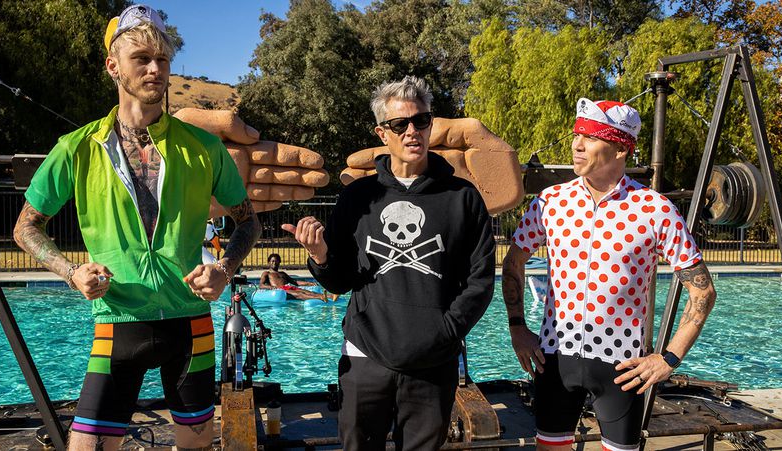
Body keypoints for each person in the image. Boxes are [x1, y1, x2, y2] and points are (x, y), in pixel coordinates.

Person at [12, 5, 261, 450]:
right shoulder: (77, 147)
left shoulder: (202, 146)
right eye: (141, 58)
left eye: (163, 60)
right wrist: (71, 273)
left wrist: (224, 268)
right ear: (113, 66)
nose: (155, 69)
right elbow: (26, 227)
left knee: (198, 447)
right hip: (117, 320)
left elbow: (248, 222)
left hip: (192, 325)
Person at [283, 75, 495, 450]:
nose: (412, 131)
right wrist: (319, 255)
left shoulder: (463, 197)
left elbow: (479, 281)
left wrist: (445, 333)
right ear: (383, 133)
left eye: (422, 121)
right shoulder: (359, 198)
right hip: (366, 356)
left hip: (434, 362)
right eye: (400, 124)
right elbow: (341, 280)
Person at [502, 98, 717, 451]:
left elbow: (702, 292)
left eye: (589, 137)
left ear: (620, 149)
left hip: (623, 366)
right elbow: (512, 264)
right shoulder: (549, 202)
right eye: (576, 135)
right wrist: (517, 328)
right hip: (555, 359)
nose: (576, 144)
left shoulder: (654, 209)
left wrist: (669, 358)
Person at [259, 253, 330, 301]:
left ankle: (329, 296)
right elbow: (261, 285)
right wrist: (271, 287)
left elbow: (295, 282)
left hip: (288, 287)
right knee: (300, 294)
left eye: (276, 261)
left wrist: (309, 283)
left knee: (306, 291)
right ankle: (321, 297)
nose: (274, 263)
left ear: (279, 262)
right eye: (272, 261)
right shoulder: (267, 273)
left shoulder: (282, 273)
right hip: (281, 290)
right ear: (269, 262)